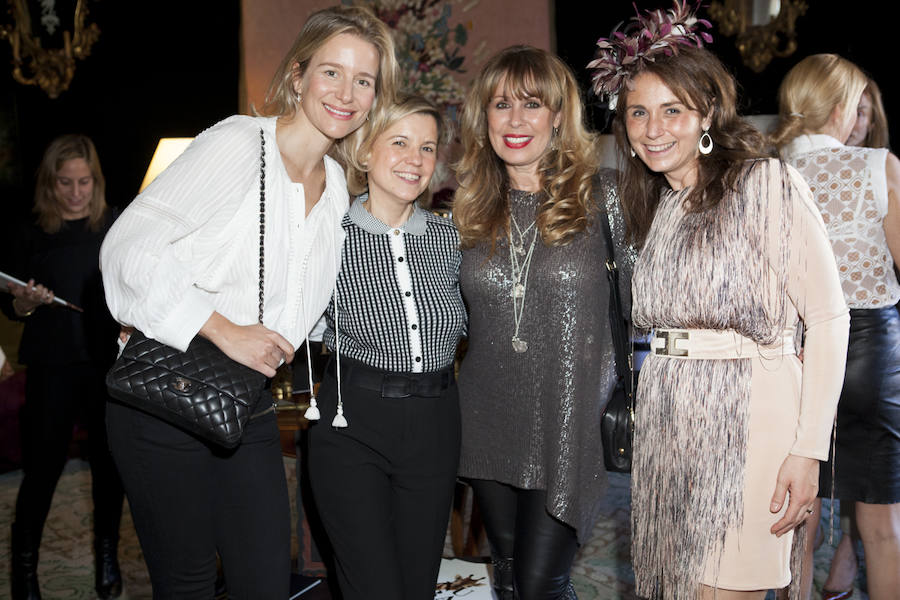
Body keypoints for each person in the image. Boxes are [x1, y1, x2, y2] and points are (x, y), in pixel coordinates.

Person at [98, 6, 399, 598]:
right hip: (165, 399)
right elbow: (125, 249)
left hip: (249, 405)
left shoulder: (339, 189)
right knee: (186, 584)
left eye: (363, 80)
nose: (346, 93)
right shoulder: (238, 142)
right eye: (331, 72)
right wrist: (221, 327)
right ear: (298, 75)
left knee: (263, 581)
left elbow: (310, 312)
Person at [588, 3, 850, 599]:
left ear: (706, 111)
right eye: (638, 113)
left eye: (672, 110)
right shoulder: (661, 205)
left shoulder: (765, 184)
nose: (653, 129)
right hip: (671, 418)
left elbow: (831, 319)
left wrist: (808, 451)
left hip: (753, 417)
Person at [452, 45, 630, 600]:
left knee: (540, 583)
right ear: (484, 117)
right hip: (485, 416)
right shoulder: (468, 207)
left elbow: (646, 301)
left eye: (532, 104)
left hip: (568, 421)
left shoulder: (606, 196)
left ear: (559, 116)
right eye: (501, 104)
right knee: (508, 575)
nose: (516, 120)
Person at [306, 93, 466, 600]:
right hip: (352, 424)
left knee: (417, 584)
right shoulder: (327, 235)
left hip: (436, 425)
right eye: (399, 142)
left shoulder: (452, 239)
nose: (415, 160)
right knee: (372, 587)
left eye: (427, 147)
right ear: (365, 151)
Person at [775, 54, 900, 600]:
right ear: (841, 107)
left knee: (799, 522)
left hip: (798, 352)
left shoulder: (768, 176)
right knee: (881, 527)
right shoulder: (877, 165)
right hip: (872, 351)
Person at [1, 134, 125, 600]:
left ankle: (107, 561)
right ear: (50, 184)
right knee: (42, 470)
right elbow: (12, 307)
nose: (76, 193)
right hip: (52, 364)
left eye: (84, 182)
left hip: (104, 364)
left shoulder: (114, 225)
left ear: (96, 182)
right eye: (65, 183)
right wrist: (25, 301)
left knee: (109, 469)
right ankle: (25, 573)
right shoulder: (29, 231)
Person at [845, 77, 890, 149]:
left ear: (872, 122)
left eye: (859, 114)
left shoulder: (887, 159)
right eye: (844, 111)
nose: (847, 121)